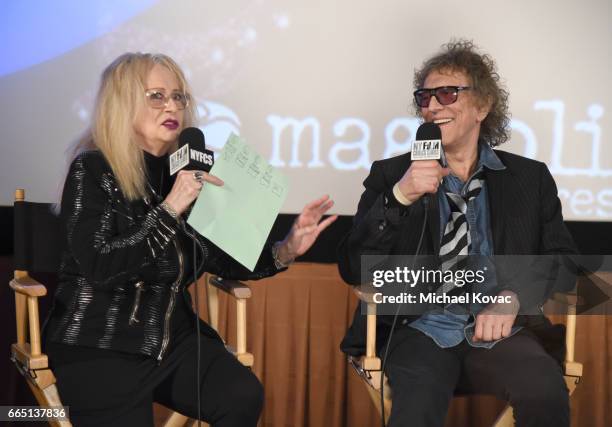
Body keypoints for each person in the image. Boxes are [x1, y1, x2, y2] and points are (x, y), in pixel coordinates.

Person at [43, 52, 336, 427]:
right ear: (123, 103)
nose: (173, 106)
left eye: (179, 97)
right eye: (157, 96)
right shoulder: (93, 169)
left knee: (241, 394)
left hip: (171, 341)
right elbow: (101, 267)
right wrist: (170, 208)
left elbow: (220, 255)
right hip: (99, 344)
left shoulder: (188, 172)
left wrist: (286, 249)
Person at [338, 40, 577, 427]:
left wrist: (514, 295)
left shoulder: (529, 179)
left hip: (502, 331)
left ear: (482, 106)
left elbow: (563, 263)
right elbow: (354, 268)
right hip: (417, 328)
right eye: (424, 97)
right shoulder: (392, 174)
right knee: (416, 409)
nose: (433, 106)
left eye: (447, 94)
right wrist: (401, 196)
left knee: (544, 391)